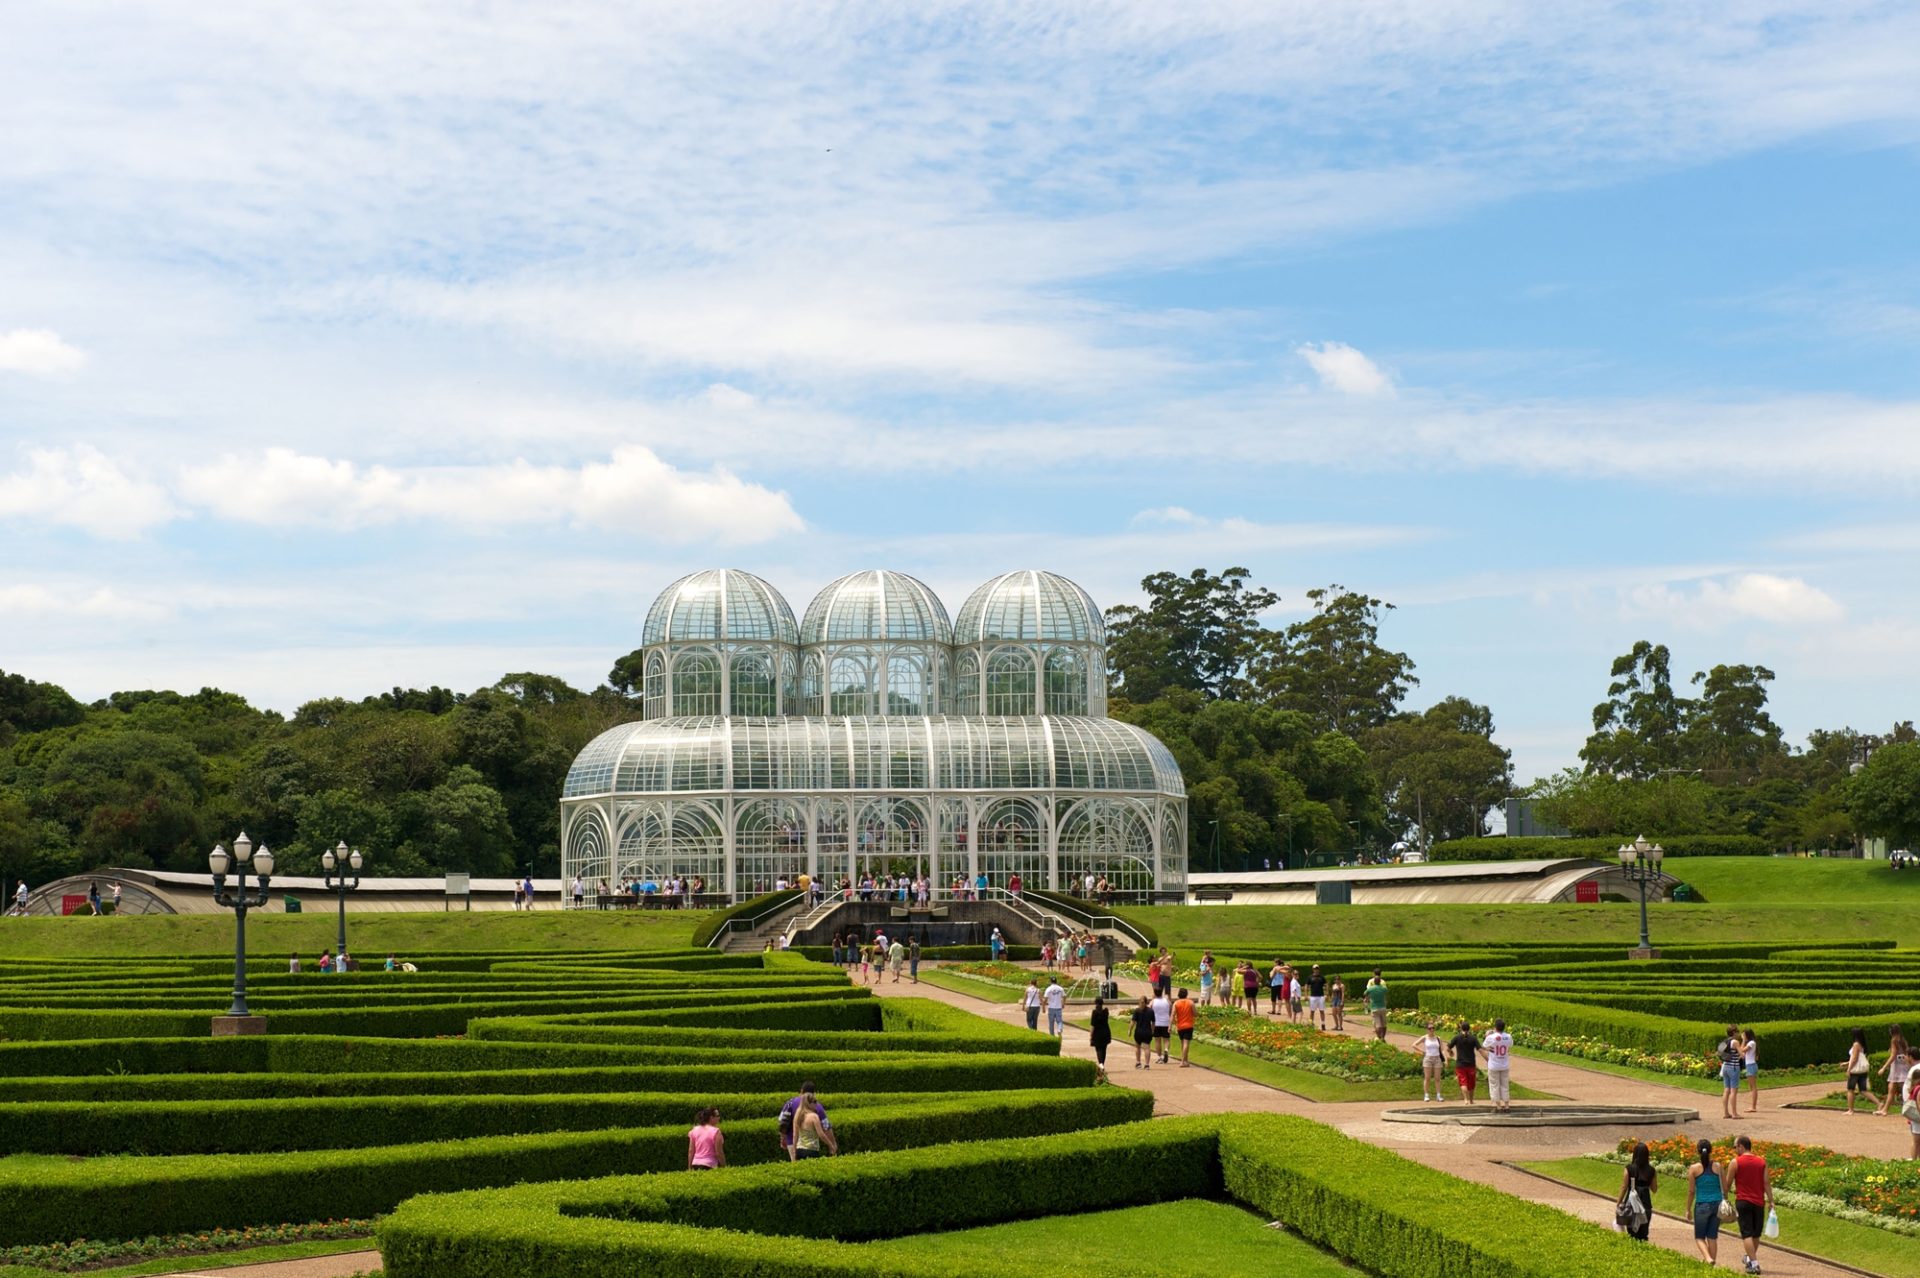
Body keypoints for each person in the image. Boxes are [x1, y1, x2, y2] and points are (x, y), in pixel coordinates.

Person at [1730, 1133, 1774, 1274]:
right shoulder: (1761, 1162)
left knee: (1747, 1234)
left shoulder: (1735, 1162)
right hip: (1758, 1202)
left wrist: (1724, 1196)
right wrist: (1771, 1200)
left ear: (1741, 1147)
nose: (1734, 1149)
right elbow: (1766, 1183)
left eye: (1735, 1147)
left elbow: (1727, 1183)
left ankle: (1753, 1263)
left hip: (1743, 1201)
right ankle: (1750, 1259)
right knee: (1756, 1234)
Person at [1685, 1137, 1726, 1266]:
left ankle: (1708, 1259)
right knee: (1712, 1236)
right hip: (1718, 1204)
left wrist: (1687, 1209)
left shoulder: (1694, 1169)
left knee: (1699, 1237)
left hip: (1702, 1204)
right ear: (1710, 1151)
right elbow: (1724, 1188)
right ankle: (1712, 1264)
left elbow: (1691, 1191)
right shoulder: (1718, 1166)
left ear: (1698, 1151)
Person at [778, 1083, 833, 1160]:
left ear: (801, 1091)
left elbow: (782, 1121)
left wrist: (782, 1138)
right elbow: (826, 1126)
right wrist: (832, 1144)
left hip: (792, 1143)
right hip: (811, 1148)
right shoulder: (817, 1106)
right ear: (814, 1093)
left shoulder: (790, 1103)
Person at [1619, 1141, 1657, 1242]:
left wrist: (1619, 1202)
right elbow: (1654, 1189)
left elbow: (1624, 1187)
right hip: (1646, 1205)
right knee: (1643, 1235)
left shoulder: (1629, 1168)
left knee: (1632, 1234)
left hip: (1631, 1205)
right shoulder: (1651, 1170)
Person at [1874, 1027, 1911, 1117]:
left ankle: (1886, 1110)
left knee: (1902, 1089)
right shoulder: (1902, 1039)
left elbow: (1893, 1055)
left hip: (1897, 1067)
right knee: (1894, 1088)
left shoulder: (1894, 1040)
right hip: (1903, 1065)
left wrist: (1884, 1067)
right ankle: (1885, 1109)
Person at [1484, 1018, 1515, 1113]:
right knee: (1505, 1085)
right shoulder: (1508, 1036)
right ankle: (1506, 1105)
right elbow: (1510, 1045)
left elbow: (1484, 1045)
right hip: (1504, 1064)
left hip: (1493, 1064)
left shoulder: (1491, 1037)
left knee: (1494, 1085)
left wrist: (1488, 1035)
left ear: (1495, 1027)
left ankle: (1498, 1106)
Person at [1716, 1024, 1746, 1119]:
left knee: (1726, 1090)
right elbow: (1742, 1055)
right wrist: (1744, 1041)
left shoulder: (1725, 1041)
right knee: (1733, 1091)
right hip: (1733, 1067)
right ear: (1733, 1032)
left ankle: (1726, 1113)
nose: (1738, 1033)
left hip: (1725, 1066)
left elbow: (1719, 1053)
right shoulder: (1735, 1042)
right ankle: (1734, 1114)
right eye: (1737, 1031)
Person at [1449, 1020, 1482, 1104]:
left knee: (1463, 1082)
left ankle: (1465, 1099)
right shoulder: (1473, 1038)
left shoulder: (1457, 1037)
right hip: (1471, 1064)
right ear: (1469, 1028)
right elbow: (1480, 1048)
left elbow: (1448, 1047)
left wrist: (1451, 1052)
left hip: (1460, 1064)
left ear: (1461, 1028)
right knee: (1471, 1083)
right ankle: (1471, 1100)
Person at [1845, 1027, 1874, 1114]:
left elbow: (1854, 1058)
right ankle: (1879, 1103)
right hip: (1862, 1070)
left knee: (1850, 1089)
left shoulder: (1856, 1044)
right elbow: (1858, 1057)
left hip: (1855, 1070)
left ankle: (1850, 1109)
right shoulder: (1862, 1044)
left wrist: (1849, 1069)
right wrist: (1846, 1063)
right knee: (1863, 1090)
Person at [1418, 1021, 1447, 1103]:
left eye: (1433, 1028)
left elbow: (1442, 1050)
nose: (1432, 1030)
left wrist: (1445, 1059)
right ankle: (1426, 1095)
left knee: (1437, 1078)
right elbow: (1414, 1045)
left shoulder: (1438, 1038)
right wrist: (1422, 1051)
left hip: (1437, 1058)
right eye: (1430, 1028)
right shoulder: (1425, 1037)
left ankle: (1438, 1095)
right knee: (1427, 1078)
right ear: (1427, 1029)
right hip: (1428, 1058)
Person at [1088, 995, 1112, 1080]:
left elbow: (1093, 1025)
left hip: (1097, 1033)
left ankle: (1101, 1064)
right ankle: (1102, 1065)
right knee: (1104, 1049)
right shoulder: (1106, 1011)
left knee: (1098, 1049)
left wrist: (1091, 1035)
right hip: (1105, 1032)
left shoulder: (1094, 1012)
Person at [1172, 986, 1196, 1067]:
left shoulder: (1176, 1003)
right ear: (1186, 994)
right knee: (1186, 1043)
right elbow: (1195, 1013)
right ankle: (1183, 1061)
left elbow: (1172, 1015)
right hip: (1188, 1025)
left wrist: (1170, 1025)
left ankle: (1185, 1060)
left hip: (1180, 1026)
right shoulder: (1190, 1002)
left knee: (1182, 1044)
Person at [1130, 995, 1155, 1070]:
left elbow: (1133, 1022)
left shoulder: (1137, 1011)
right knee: (1147, 1048)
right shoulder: (1151, 1011)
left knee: (1137, 1047)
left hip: (1138, 1031)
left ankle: (1138, 1062)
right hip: (1147, 1031)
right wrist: (1152, 1030)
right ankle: (1147, 1064)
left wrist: (1130, 1030)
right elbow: (1153, 1022)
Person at [1150, 987, 1173, 1064]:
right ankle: (1166, 1049)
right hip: (1166, 1022)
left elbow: (1149, 1010)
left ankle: (1159, 1057)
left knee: (1157, 1041)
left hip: (1156, 1023)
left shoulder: (1153, 1002)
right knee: (1166, 1039)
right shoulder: (1167, 1001)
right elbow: (1170, 1010)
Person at [1365, 969, 1389, 1042]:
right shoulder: (1383, 985)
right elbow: (1386, 992)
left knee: (1377, 1025)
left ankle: (1379, 1038)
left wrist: (1367, 998)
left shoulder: (1371, 983)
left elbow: (1367, 992)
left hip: (1374, 1006)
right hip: (1383, 1006)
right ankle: (1383, 1038)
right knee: (1384, 1024)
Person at [1742, 1029, 1761, 1113]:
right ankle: (1753, 1106)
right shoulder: (1751, 1043)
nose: (1743, 1036)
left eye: (1744, 1035)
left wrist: (1743, 1041)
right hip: (1750, 1065)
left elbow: (1742, 1050)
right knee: (1751, 1086)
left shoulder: (1751, 1043)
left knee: (1753, 1087)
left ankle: (1753, 1107)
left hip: (1751, 1065)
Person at [1307, 964, 1327, 1029]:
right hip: (1313, 996)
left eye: (1317, 969)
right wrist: (1306, 995)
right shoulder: (1310, 977)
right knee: (1312, 1011)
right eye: (1315, 969)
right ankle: (1311, 1023)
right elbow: (1306, 986)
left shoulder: (1322, 977)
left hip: (1321, 996)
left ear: (1319, 969)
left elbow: (1326, 985)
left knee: (1322, 1011)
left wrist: (1327, 994)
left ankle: (1323, 1024)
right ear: (1313, 969)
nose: (1316, 970)